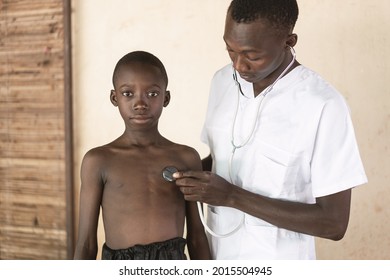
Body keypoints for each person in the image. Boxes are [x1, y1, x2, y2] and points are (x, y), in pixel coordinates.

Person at [173, 0, 367, 259]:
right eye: (231, 50)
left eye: (253, 56)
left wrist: (232, 196)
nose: (239, 66)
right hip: (217, 258)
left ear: (290, 41)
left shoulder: (323, 105)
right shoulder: (222, 81)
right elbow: (221, 160)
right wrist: (179, 171)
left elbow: (333, 223)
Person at [73, 51, 211, 260]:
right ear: (114, 97)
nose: (140, 103)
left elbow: (197, 236)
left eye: (152, 94)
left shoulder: (186, 158)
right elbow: (86, 243)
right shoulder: (98, 161)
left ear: (166, 98)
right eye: (128, 93)